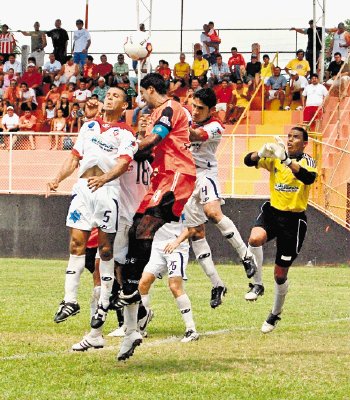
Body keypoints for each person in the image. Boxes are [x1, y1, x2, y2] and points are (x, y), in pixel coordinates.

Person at [87, 73, 196, 361]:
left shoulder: (168, 109)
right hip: (154, 185)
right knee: (130, 242)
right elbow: (145, 150)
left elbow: (153, 140)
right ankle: (133, 319)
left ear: (150, 90)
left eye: (142, 94)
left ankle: (129, 290)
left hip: (176, 176)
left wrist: (130, 148)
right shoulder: (151, 120)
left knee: (143, 231)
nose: (141, 101)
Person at [46, 87, 138, 333]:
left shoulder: (126, 133)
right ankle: (70, 300)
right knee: (76, 245)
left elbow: (123, 163)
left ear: (124, 106)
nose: (109, 98)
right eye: (108, 95)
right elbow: (74, 158)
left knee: (105, 250)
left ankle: (104, 303)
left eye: (115, 96)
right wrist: (57, 179)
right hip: (83, 191)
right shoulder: (88, 127)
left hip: (108, 191)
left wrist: (106, 178)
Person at [184, 88, 256, 305]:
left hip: (205, 174)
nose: (195, 112)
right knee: (195, 233)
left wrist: (172, 123)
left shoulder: (215, 126)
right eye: (193, 106)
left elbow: (195, 135)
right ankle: (218, 285)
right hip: (186, 178)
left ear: (211, 110)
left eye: (200, 108)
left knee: (213, 212)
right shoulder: (187, 118)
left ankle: (246, 256)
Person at [243, 128, 317, 333]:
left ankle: (275, 314)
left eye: (296, 138)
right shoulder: (276, 157)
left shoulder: (307, 160)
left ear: (304, 144)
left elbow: (309, 178)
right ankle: (257, 284)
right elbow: (247, 161)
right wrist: (261, 152)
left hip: (294, 221)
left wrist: (286, 161)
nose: (291, 140)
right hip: (272, 213)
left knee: (280, 274)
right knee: (255, 238)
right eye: (289, 137)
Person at [139, 217, 199, 343]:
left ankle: (191, 329)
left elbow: (193, 227)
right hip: (157, 247)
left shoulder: (184, 201)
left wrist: (176, 242)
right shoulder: (156, 199)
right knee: (143, 284)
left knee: (175, 286)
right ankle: (142, 322)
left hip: (176, 248)